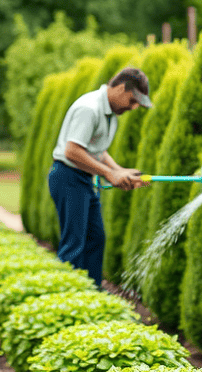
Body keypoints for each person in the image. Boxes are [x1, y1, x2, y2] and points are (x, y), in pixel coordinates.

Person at [48, 67, 153, 286]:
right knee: (74, 243)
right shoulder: (90, 108)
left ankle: (93, 294)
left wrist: (119, 171)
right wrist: (109, 175)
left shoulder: (109, 114)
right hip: (68, 177)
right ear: (122, 88)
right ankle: (69, 296)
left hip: (83, 180)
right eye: (133, 101)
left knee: (95, 238)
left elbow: (97, 150)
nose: (133, 107)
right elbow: (73, 151)